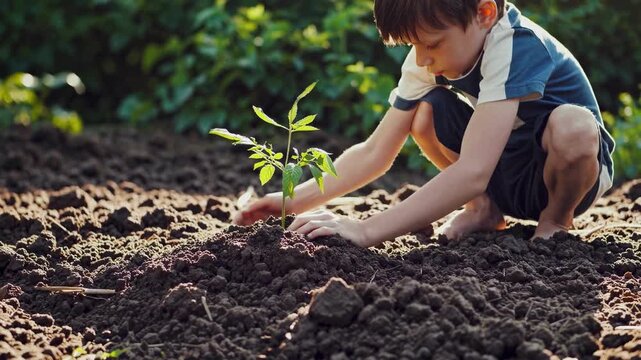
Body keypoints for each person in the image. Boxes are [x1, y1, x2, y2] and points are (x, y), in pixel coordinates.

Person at [233, 0, 615, 248]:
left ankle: (555, 223)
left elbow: (474, 170)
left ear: (484, 14)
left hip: (562, 175)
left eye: (431, 44)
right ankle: (484, 210)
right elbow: (374, 152)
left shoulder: (516, 44)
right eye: (413, 46)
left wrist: (366, 229)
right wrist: (289, 203)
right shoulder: (429, 58)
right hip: (505, 170)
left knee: (574, 125)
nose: (422, 59)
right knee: (425, 109)